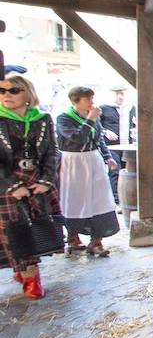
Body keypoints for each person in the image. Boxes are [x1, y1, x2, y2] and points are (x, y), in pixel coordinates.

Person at [0, 75, 64, 298]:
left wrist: (47, 180)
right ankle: (31, 276)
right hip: (6, 183)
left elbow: (52, 152)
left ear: (27, 93)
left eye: (13, 90)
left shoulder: (43, 119)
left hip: (37, 180)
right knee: (13, 231)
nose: (6, 95)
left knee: (37, 227)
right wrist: (12, 185)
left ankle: (25, 270)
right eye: (2, 91)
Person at [56, 86, 119, 257]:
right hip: (74, 162)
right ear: (76, 101)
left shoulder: (93, 117)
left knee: (99, 199)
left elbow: (99, 139)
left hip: (93, 160)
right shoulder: (64, 118)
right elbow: (76, 137)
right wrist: (90, 120)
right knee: (74, 199)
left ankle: (96, 240)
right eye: (87, 99)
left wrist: (107, 156)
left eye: (92, 98)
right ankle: (73, 237)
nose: (91, 102)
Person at [99, 86, 135, 204]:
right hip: (111, 146)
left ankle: (127, 198)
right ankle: (115, 199)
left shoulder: (130, 107)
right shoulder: (104, 108)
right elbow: (97, 125)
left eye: (122, 93)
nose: (119, 96)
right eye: (117, 94)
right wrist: (105, 131)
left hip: (127, 145)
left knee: (128, 170)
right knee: (114, 171)